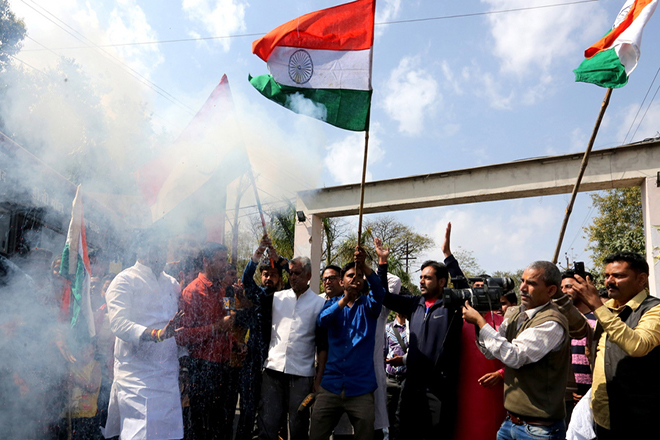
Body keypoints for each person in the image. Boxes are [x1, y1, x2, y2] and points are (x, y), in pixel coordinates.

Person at [463, 260, 589, 440]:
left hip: (539, 430)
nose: (522, 287)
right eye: (522, 281)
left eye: (531, 283)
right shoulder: (516, 314)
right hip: (510, 423)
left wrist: (480, 323)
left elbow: (514, 356)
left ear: (551, 290)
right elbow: (491, 352)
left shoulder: (552, 322)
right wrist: (479, 323)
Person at [104, 230, 184, 440]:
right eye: (155, 247)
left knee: (168, 435)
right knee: (140, 435)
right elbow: (119, 323)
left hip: (167, 375)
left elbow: (179, 321)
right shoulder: (124, 280)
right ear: (142, 249)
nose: (161, 253)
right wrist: (156, 334)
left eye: (163, 247)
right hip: (137, 376)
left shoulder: (171, 283)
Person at [571, 252, 660, 439]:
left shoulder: (654, 309)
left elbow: (638, 345)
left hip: (640, 420)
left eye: (618, 276)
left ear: (641, 279)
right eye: (606, 276)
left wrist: (598, 306)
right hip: (603, 417)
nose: (609, 281)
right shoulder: (608, 309)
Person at [249, 237, 327, 440]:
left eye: (297, 273)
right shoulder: (276, 298)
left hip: (301, 375)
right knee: (268, 423)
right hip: (273, 370)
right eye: (290, 273)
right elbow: (248, 284)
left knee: (298, 425)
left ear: (309, 275)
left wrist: (317, 379)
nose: (292, 277)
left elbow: (322, 345)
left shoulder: (319, 304)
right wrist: (260, 255)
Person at [382, 257, 463, 440]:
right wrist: (382, 263)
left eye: (427, 278)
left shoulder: (453, 306)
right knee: (403, 431)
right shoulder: (414, 303)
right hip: (411, 385)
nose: (421, 281)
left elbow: (464, 289)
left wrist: (448, 256)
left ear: (442, 282)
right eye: (420, 277)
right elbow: (384, 297)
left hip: (439, 389)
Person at [310, 246, 386, 440]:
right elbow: (322, 321)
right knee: (316, 434)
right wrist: (345, 299)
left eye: (359, 276)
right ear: (342, 281)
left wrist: (365, 266)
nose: (355, 278)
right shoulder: (331, 304)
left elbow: (379, 290)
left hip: (361, 388)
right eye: (350, 275)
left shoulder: (370, 306)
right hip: (331, 385)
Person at [176, 243, 236, 440]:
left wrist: (235, 342)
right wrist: (214, 328)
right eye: (221, 260)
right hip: (202, 368)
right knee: (203, 427)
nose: (225, 265)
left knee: (223, 425)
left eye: (225, 260)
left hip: (224, 366)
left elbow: (227, 323)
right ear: (206, 262)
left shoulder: (224, 290)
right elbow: (181, 335)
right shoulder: (192, 291)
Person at [560, 270, 597, 424]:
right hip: (568, 398)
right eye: (561, 287)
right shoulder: (560, 320)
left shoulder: (600, 318)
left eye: (569, 286)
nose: (564, 291)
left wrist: (590, 393)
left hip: (594, 396)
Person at [384, 312, 407, 440]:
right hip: (390, 379)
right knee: (389, 418)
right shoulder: (387, 328)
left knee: (404, 418)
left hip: (407, 378)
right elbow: (383, 350)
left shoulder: (412, 328)